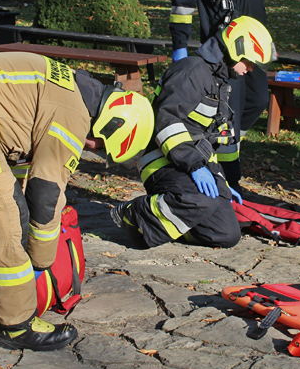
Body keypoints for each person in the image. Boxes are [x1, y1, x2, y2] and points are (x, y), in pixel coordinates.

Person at [0, 52, 154, 350]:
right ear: (113, 123)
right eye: (100, 144)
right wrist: (41, 259)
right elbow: (44, 193)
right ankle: (15, 325)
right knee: (5, 214)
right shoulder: (73, 115)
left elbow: (18, 143)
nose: (90, 148)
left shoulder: (72, 89)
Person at [111, 17, 275, 249]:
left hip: (195, 164)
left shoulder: (219, 80)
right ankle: (133, 214)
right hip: (163, 162)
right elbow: (166, 121)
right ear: (237, 49)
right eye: (249, 62)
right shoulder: (191, 71)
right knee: (200, 201)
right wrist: (196, 167)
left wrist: (224, 182)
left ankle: (167, 225)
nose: (249, 69)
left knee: (227, 234)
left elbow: (211, 138)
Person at [168, 0, 292, 190]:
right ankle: (229, 179)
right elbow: (183, 1)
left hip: (255, 51)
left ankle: (219, 144)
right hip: (225, 54)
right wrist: (180, 47)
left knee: (258, 100)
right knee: (229, 117)